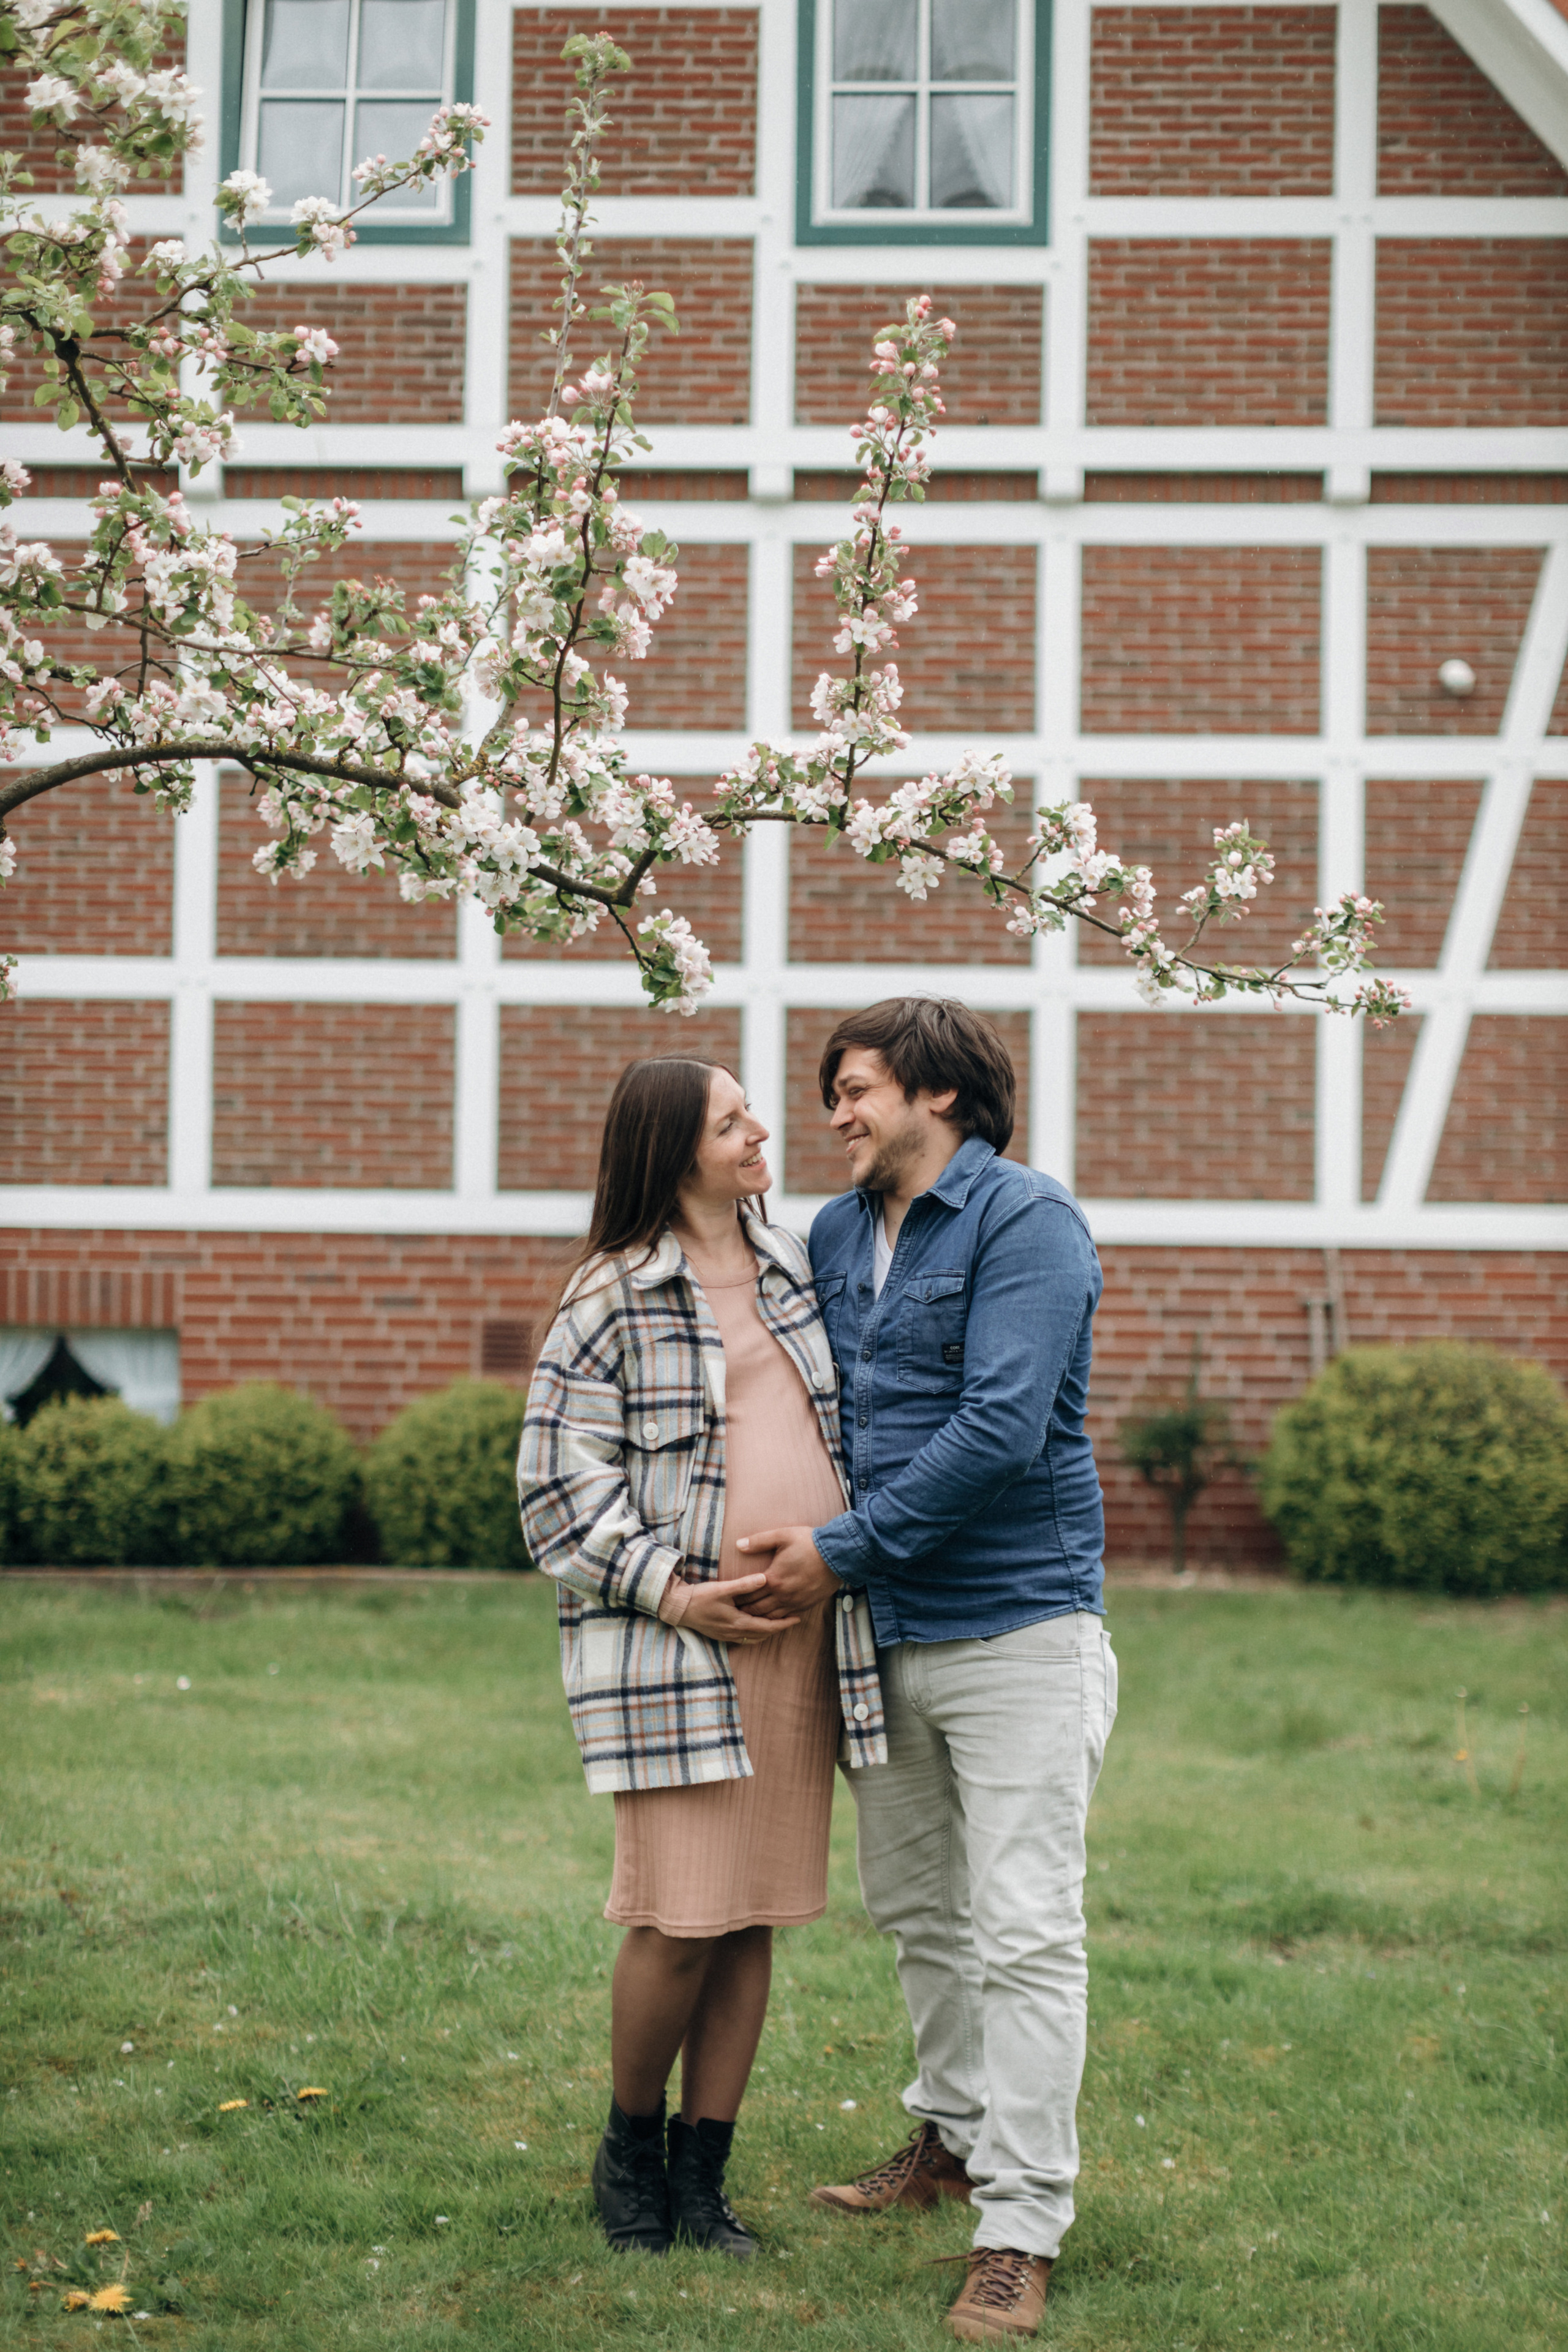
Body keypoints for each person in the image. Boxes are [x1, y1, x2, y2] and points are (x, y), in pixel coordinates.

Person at [735, 998, 1116, 2343]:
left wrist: (839, 1549)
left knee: (1021, 1930)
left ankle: (1021, 2228)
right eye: (830, 1090)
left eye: (856, 1088)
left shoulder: (1029, 1224)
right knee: (916, 1913)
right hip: (880, 1635)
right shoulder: (831, 1235)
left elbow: (1005, 1427)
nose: (832, 1113)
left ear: (939, 1097)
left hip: (1018, 1628)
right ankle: (949, 2142)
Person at [516, 1054, 885, 2263]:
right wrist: (680, 1594)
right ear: (674, 1151)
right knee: (679, 1919)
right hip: (672, 1652)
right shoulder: (608, 1295)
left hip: (797, 1643)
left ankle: (700, 2179)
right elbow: (556, 1500)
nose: (759, 1132)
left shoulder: (792, 1267)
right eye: (732, 1122)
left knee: (750, 1920)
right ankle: (627, 2156)